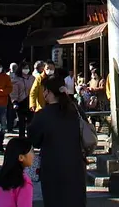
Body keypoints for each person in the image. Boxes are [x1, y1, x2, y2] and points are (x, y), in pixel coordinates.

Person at [27, 76, 87, 206]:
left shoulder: (42, 115)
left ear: (48, 92)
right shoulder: (75, 111)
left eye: (44, 90)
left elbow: (34, 140)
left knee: (54, 200)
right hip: (75, 166)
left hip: (52, 168)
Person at [0, 137, 34, 207]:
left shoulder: (2, 178)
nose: (34, 155)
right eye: (32, 151)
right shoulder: (24, 182)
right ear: (21, 157)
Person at [11, 62, 34, 138]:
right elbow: (14, 91)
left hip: (30, 102)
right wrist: (14, 101)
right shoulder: (16, 79)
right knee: (21, 123)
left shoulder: (32, 78)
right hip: (20, 102)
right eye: (24, 68)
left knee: (30, 123)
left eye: (27, 68)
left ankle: (30, 140)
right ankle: (22, 140)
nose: (26, 69)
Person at [7, 62, 19, 133]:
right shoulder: (7, 75)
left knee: (15, 113)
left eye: (16, 67)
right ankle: (9, 128)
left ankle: (14, 126)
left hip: (17, 96)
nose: (14, 69)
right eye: (13, 68)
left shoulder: (19, 75)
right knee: (10, 113)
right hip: (9, 96)